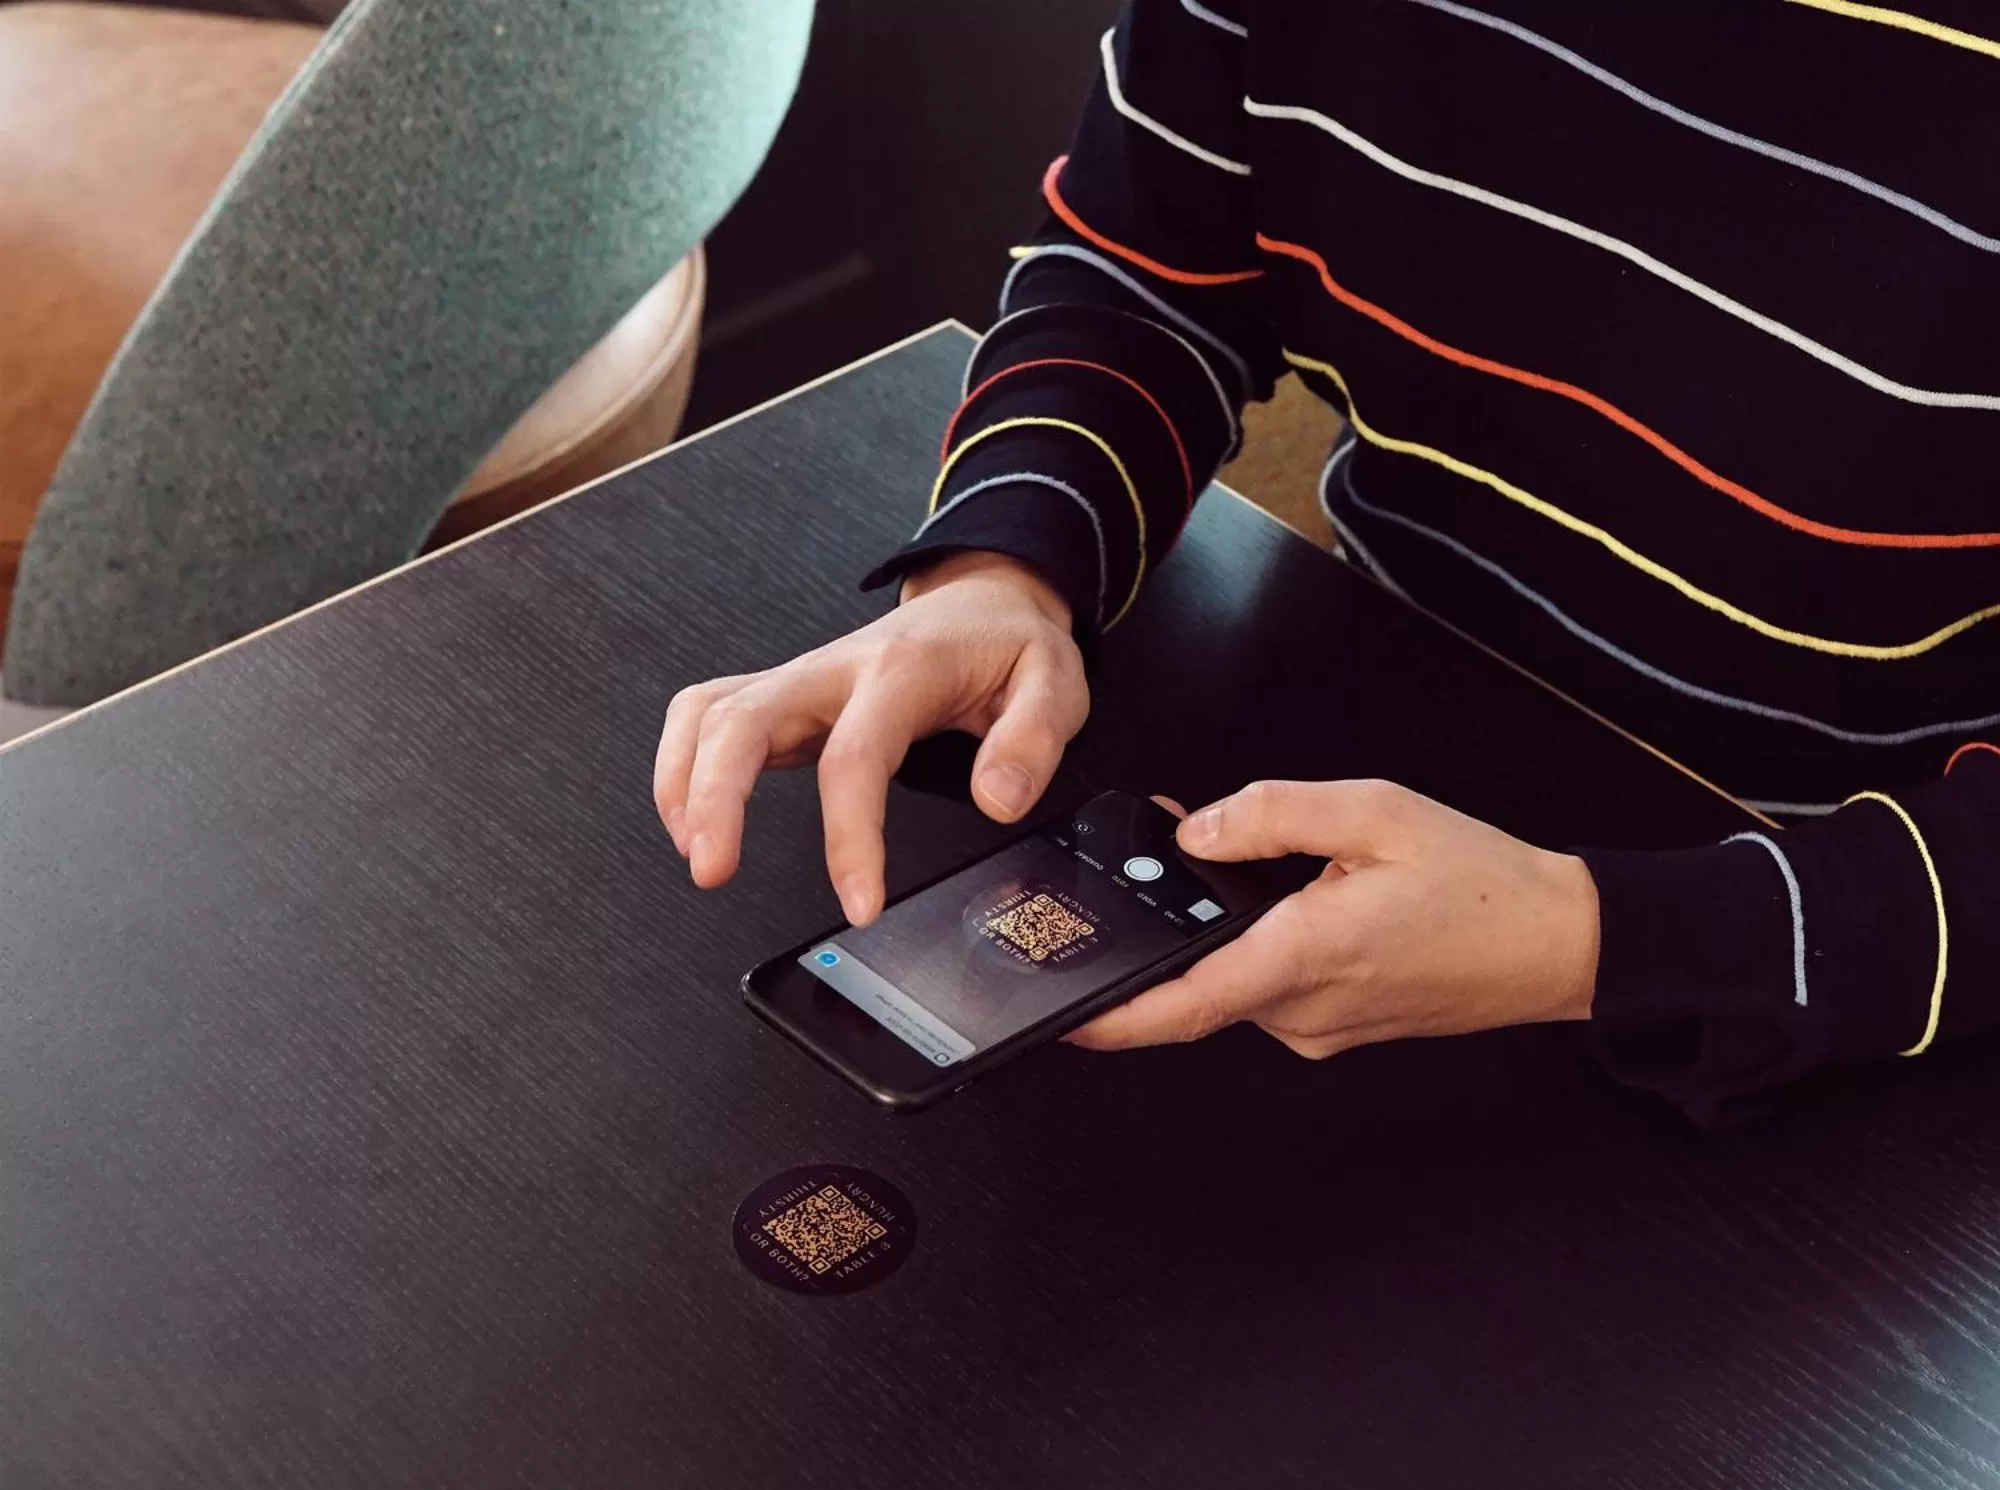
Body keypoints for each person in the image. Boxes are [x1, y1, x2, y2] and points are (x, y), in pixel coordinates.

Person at [654, 0, 2000, 1123]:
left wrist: (1600, 941)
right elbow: (1148, 273)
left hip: (1854, 974)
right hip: (1361, 794)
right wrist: (1008, 566)